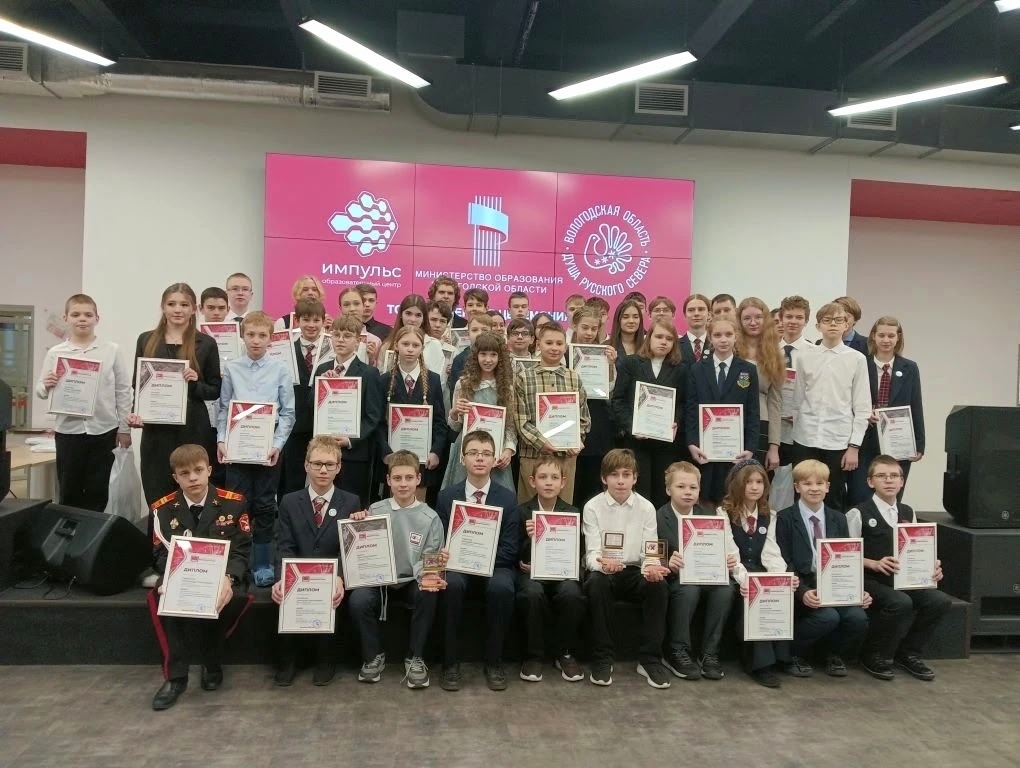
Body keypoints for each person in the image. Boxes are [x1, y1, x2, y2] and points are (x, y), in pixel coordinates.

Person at [148, 444, 252, 711]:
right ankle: (176, 678)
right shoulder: (162, 509)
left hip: (223, 576)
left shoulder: (234, 503)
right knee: (163, 599)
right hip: (181, 576)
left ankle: (211, 661)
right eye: (185, 473)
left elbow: (241, 551)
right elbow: (159, 554)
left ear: (209, 470)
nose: (193, 478)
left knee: (230, 599)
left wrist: (228, 578)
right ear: (176, 477)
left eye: (198, 470)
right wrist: (174, 578)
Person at [847, 455, 950, 682]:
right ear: (870, 482)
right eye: (881, 476)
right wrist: (873, 563)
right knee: (900, 602)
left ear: (902, 482)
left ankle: (908, 653)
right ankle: (871, 654)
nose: (889, 480)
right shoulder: (858, 513)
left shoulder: (907, 511)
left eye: (894, 476)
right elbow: (845, 555)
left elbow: (915, 548)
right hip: (870, 579)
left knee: (939, 601)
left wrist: (930, 566)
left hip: (903, 578)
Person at [350, 450, 447, 688]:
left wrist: (430, 574)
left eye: (408, 478)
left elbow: (431, 560)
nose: (403, 484)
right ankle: (373, 656)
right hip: (380, 581)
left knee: (428, 592)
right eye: (397, 478)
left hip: (412, 580)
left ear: (418, 479)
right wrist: (357, 523)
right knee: (358, 600)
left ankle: (415, 657)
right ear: (388, 480)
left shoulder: (430, 517)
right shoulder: (375, 510)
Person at [216, 311, 296, 586]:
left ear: (271, 339)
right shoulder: (232, 368)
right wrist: (222, 441)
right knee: (236, 503)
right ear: (242, 336)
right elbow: (224, 408)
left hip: (267, 447)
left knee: (264, 505)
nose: (256, 340)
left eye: (262, 335)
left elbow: (288, 413)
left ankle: (262, 563)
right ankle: (235, 562)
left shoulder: (280, 369)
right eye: (251, 334)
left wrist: (277, 445)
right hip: (237, 447)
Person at [436, 431, 519, 691]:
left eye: (485, 454)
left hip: (496, 566)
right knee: (452, 584)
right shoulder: (446, 497)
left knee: (501, 587)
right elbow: (440, 542)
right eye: (473, 453)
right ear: (462, 459)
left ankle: (494, 662)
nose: (479, 458)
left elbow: (510, 549)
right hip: (457, 565)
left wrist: (481, 560)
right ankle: (450, 662)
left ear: (494, 460)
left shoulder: (508, 498)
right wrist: (445, 554)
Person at [130, 283, 221, 521]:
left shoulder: (206, 343)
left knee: (193, 493)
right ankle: (158, 543)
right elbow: (138, 385)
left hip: (193, 430)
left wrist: (195, 382)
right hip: (156, 432)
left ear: (194, 308)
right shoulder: (146, 339)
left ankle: (193, 541)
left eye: (184, 304)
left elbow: (214, 390)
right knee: (157, 493)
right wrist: (136, 413)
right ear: (163, 307)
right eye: (171, 304)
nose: (177, 309)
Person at [35, 294, 132, 511]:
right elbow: (40, 390)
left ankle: (93, 532)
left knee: (99, 491)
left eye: (88, 315)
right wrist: (46, 385)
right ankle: (69, 532)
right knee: (69, 490)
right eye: (76, 314)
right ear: (66, 318)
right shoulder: (56, 353)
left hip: (104, 430)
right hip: (68, 431)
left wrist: (124, 428)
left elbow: (123, 390)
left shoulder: (112, 350)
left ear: (97, 318)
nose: (82, 319)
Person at [775, 459, 872, 678]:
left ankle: (832, 654)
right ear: (797, 487)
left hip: (834, 584)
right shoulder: (784, 518)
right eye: (807, 483)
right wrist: (802, 592)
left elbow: (847, 559)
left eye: (820, 483)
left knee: (857, 618)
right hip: (803, 584)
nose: (814, 488)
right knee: (827, 616)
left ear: (828, 487)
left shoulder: (838, 518)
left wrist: (857, 591)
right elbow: (784, 562)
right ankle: (793, 654)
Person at [582, 448, 670, 688]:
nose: (620, 481)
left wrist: (652, 567)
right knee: (596, 583)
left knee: (659, 586)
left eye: (626, 474)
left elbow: (650, 551)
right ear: (604, 478)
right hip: (604, 570)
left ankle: (650, 659)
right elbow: (592, 553)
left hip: (633, 571)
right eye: (614, 475)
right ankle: (602, 657)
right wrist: (602, 564)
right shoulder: (592, 507)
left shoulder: (647, 508)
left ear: (635, 478)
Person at [272, 436, 355, 686]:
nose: (323, 470)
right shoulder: (289, 501)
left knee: (335, 597)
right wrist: (282, 578)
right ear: (306, 465)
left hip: (331, 576)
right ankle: (287, 660)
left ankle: (326, 660)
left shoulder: (351, 501)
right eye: (317, 463)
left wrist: (340, 576)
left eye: (330, 464)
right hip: (298, 574)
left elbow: (348, 546)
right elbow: (284, 544)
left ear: (339, 467)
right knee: (284, 594)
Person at [658, 461, 738, 682]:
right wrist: (667, 563)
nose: (688, 492)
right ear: (668, 490)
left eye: (693, 487)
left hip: (708, 574)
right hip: (678, 577)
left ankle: (709, 653)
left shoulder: (710, 515)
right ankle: (677, 650)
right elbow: (652, 553)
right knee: (688, 589)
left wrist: (727, 560)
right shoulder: (658, 517)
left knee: (726, 589)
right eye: (681, 486)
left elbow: (722, 547)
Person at [790, 302, 870, 512]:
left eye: (838, 320)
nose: (833, 324)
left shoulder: (857, 359)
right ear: (818, 326)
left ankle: (830, 534)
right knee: (801, 493)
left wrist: (854, 447)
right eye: (827, 320)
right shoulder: (805, 356)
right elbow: (798, 399)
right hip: (805, 437)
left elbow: (862, 407)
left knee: (833, 496)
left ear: (846, 325)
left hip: (838, 440)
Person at [721, 460, 795, 688]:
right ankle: (760, 665)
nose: (754, 487)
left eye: (759, 482)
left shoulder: (769, 515)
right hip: (736, 574)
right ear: (737, 484)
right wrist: (746, 581)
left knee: (780, 594)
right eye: (748, 482)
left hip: (759, 571)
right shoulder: (723, 513)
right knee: (752, 601)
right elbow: (731, 554)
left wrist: (781, 578)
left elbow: (771, 553)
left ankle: (782, 657)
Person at [514, 457, 586, 683]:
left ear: (563, 483)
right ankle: (533, 656)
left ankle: (564, 653)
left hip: (562, 573)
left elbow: (579, 551)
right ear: (532, 481)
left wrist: (571, 569)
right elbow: (513, 551)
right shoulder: (522, 512)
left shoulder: (572, 512)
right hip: (531, 572)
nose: (548, 482)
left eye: (554, 477)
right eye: (543, 477)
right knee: (532, 593)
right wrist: (528, 541)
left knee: (571, 593)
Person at [611, 318, 686, 508]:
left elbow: (684, 403)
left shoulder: (681, 369)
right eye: (659, 336)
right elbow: (618, 400)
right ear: (649, 337)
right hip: (637, 442)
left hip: (666, 445)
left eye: (669, 339)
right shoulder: (631, 363)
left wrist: (676, 421)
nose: (663, 342)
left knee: (662, 493)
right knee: (639, 494)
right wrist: (632, 427)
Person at [513, 320, 590, 505]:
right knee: (529, 509)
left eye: (559, 343)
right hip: (532, 455)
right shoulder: (524, 377)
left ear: (565, 347)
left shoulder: (573, 377)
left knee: (562, 509)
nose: (554, 348)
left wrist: (577, 439)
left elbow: (584, 417)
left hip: (566, 456)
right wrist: (543, 443)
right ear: (538, 344)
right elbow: (520, 421)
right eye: (549, 343)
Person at [685, 316, 759, 504]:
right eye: (717, 335)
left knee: (732, 498)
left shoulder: (748, 370)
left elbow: (753, 412)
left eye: (728, 334)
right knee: (705, 499)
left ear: (736, 337)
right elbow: (691, 410)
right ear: (710, 338)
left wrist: (750, 448)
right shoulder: (697, 370)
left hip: (735, 451)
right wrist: (692, 443)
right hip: (705, 449)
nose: (723, 339)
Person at [853, 316, 925, 505]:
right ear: (873, 336)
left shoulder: (909, 368)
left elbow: (916, 405)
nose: (886, 340)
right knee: (860, 494)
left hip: (897, 440)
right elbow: (849, 400)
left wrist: (919, 444)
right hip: (865, 438)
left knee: (891, 495)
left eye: (891, 336)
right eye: (882, 335)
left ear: (898, 337)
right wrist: (864, 414)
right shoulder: (861, 363)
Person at [312, 314, 383, 507]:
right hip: (325, 452)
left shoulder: (369, 373)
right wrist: (323, 384)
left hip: (354, 455)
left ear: (358, 340)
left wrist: (351, 440)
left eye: (347, 335)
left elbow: (373, 416)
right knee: (323, 504)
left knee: (352, 506)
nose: (341, 340)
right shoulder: (322, 369)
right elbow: (312, 408)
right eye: (336, 335)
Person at [378, 326, 446, 500]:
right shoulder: (384, 380)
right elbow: (378, 423)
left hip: (422, 459)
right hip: (393, 458)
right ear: (396, 345)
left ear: (422, 348)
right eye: (405, 344)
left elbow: (439, 422)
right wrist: (386, 452)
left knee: (417, 507)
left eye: (415, 345)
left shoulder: (433, 380)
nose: (410, 349)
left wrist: (435, 451)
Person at [444, 331, 517, 492]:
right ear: (476, 356)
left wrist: (508, 449)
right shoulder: (463, 384)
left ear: (500, 358)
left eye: (493, 355)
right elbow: (456, 426)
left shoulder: (507, 388)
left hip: (495, 452)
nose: (488, 360)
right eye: (483, 354)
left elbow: (510, 425)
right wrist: (455, 412)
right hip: (466, 451)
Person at [278, 298, 329, 496]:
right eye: (306, 320)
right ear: (297, 321)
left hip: (324, 425)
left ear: (323, 321)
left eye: (316, 320)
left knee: (323, 477)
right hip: (295, 424)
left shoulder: (333, 350)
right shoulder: (284, 349)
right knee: (292, 478)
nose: (311, 325)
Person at [570, 307, 619, 508]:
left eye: (594, 328)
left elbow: (610, 389)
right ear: (574, 325)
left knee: (592, 486)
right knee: (570, 485)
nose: (589, 333)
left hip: (597, 424)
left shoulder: (604, 354)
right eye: (585, 327)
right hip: (569, 422)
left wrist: (610, 364)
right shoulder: (563, 351)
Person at [735, 297, 784, 471]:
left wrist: (774, 447)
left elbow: (775, 402)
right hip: (731, 420)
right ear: (739, 321)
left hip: (761, 423)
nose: (753, 322)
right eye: (747, 318)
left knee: (756, 479)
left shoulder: (775, 354)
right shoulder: (731, 349)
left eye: (758, 317)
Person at [777, 295, 816, 465]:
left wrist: (801, 413)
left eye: (799, 317)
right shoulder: (769, 351)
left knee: (800, 475)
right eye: (789, 316)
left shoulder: (815, 353)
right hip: (774, 428)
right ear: (781, 319)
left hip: (802, 430)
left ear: (806, 321)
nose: (793, 321)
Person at [379, 294, 445, 376]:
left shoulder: (434, 345)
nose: (413, 319)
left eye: (418, 315)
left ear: (424, 318)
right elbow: (381, 377)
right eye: (408, 313)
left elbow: (438, 379)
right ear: (401, 315)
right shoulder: (388, 345)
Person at [446, 312, 496, 399]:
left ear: (492, 332)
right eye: (474, 330)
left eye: (484, 330)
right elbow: (454, 394)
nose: (479, 333)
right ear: (468, 333)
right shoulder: (459, 359)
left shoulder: (498, 357)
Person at [338, 287, 381, 368]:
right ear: (340, 308)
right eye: (346, 305)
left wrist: (371, 360)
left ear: (363, 306)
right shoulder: (330, 337)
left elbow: (379, 373)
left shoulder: (375, 341)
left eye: (356, 304)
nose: (352, 309)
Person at [678, 293, 711, 364]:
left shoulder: (716, 344)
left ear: (709, 314)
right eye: (691, 310)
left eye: (701, 309)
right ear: (685, 315)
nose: (696, 313)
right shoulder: (675, 346)